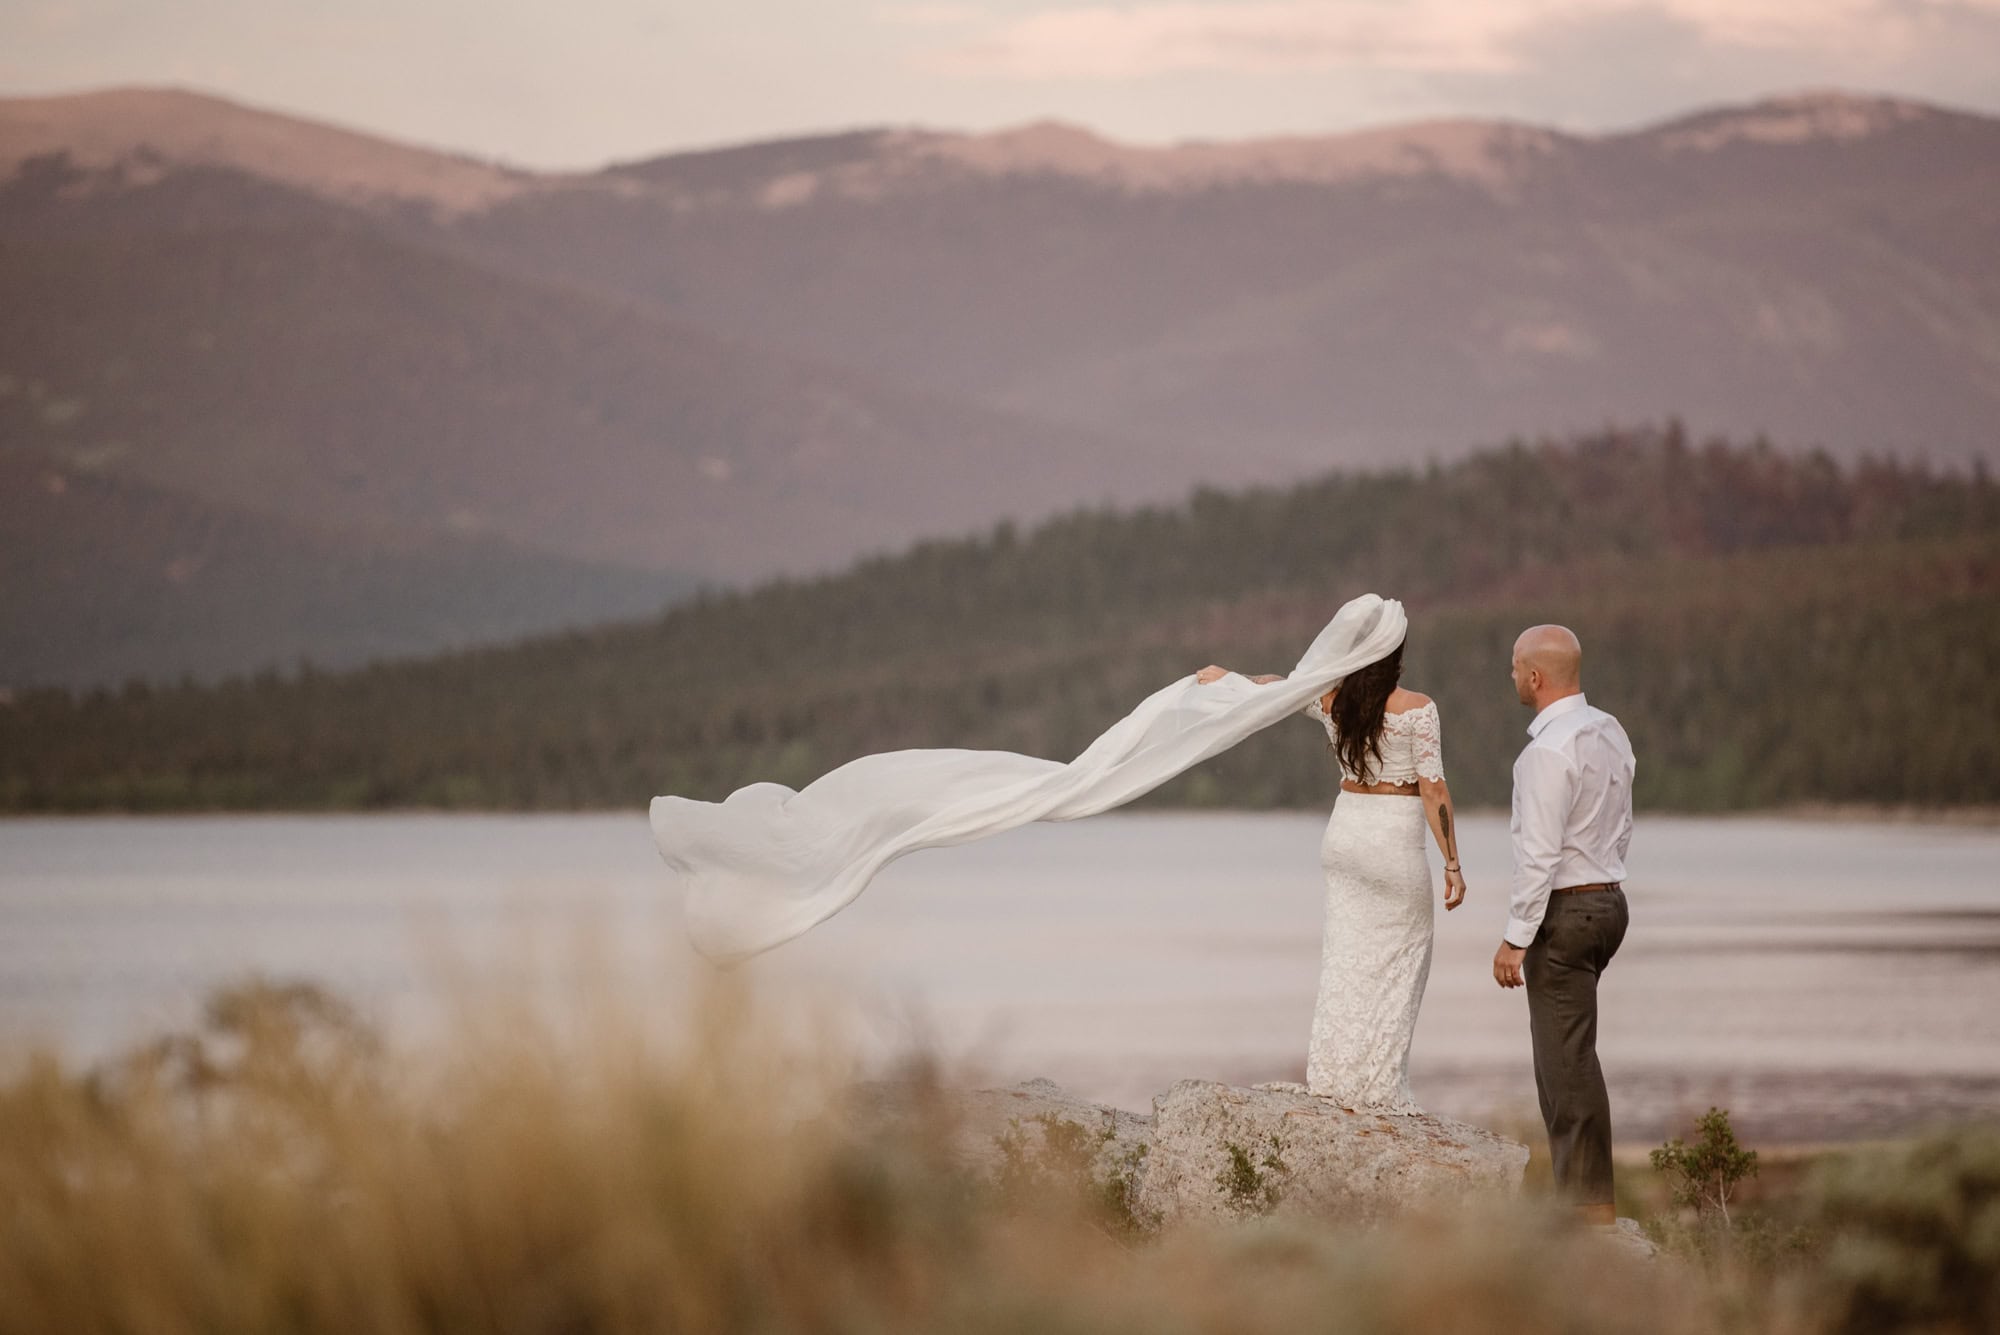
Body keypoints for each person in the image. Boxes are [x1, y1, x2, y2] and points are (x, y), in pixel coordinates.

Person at [1197, 634, 1465, 1112]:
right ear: (1395, 660)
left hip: (1344, 837)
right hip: (1392, 843)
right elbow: (1434, 789)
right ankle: (1378, 1087)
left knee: (1345, 960)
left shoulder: (1330, 701)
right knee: (1401, 959)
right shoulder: (1418, 709)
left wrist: (1229, 679)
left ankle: (1333, 1077)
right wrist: (1452, 863)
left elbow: (1277, 688)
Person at [1491, 624, 1636, 1225]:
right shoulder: (1609, 730)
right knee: (1571, 1055)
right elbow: (1621, 822)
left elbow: (1539, 855)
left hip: (1566, 913)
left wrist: (1514, 937)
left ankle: (1588, 1213)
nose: (1511, 676)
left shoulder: (1544, 753)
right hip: (1608, 903)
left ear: (1534, 677)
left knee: (1565, 1065)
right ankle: (1581, 1200)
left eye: (1514, 666)